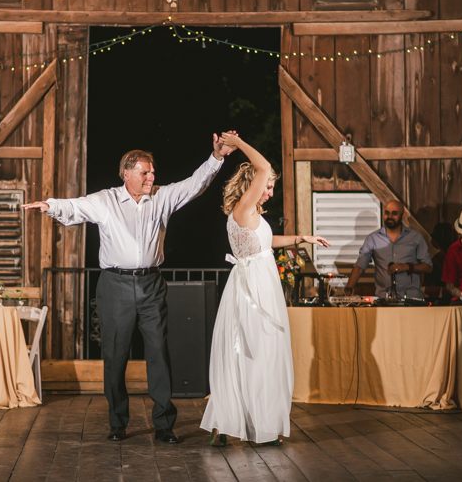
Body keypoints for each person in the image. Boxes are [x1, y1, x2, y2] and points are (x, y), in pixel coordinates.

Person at [23, 134, 236, 444]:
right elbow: (76, 207)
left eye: (152, 172)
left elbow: (195, 184)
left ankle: (164, 425)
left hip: (151, 284)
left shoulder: (162, 197)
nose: (151, 177)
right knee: (115, 355)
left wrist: (217, 157)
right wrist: (49, 205)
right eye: (144, 172)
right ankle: (118, 423)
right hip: (115, 285)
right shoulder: (106, 201)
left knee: (158, 355)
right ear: (126, 174)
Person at [201, 133, 330, 447]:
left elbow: (265, 243)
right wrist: (239, 143)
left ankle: (256, 423)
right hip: (254, 287)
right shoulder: (245, 206)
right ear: (252, 185)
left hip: (258, 280)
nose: (270, 192)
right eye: (268, 186)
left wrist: (302, 238)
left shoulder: (251, 216)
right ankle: (239, 423)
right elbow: (265, 166)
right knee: (254, 351)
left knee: (259, 352)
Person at [344, 200, 433, 299]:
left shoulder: (415, 237)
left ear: (403, 216)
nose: (390, 216)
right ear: (383, 214)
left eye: (394, 213)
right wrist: (349, 288)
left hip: (411, 299)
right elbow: (360, 266)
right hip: (384, 299)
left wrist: (408, 267)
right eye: (387, 213)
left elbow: (428, 267)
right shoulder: (372, 238)